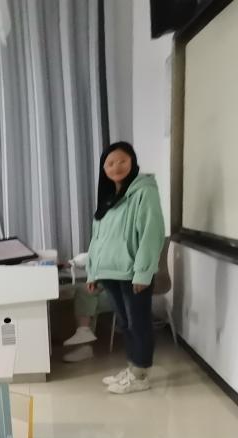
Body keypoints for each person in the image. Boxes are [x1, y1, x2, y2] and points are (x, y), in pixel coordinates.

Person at [85, 142, 165, 394]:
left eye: (122, 161)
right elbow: (97, 240)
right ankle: (133, 368)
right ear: (104, 169)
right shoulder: (108, 199)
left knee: (138, 323)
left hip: (132, 274)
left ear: (132, 162)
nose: (116, 167)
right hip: (109, 272)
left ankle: (141, 375)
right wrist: (92, 272)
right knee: (125, 323)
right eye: (110, 163)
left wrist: (143, 273)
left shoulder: (144, 191)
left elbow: (152, 234)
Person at [61, 252, 113, 363]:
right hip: (105, 283)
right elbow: (93, 254)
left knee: (86, 292)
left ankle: (84, 345)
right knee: (77, 289)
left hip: (122, 287)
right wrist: (72, 262)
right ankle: (82, 335)